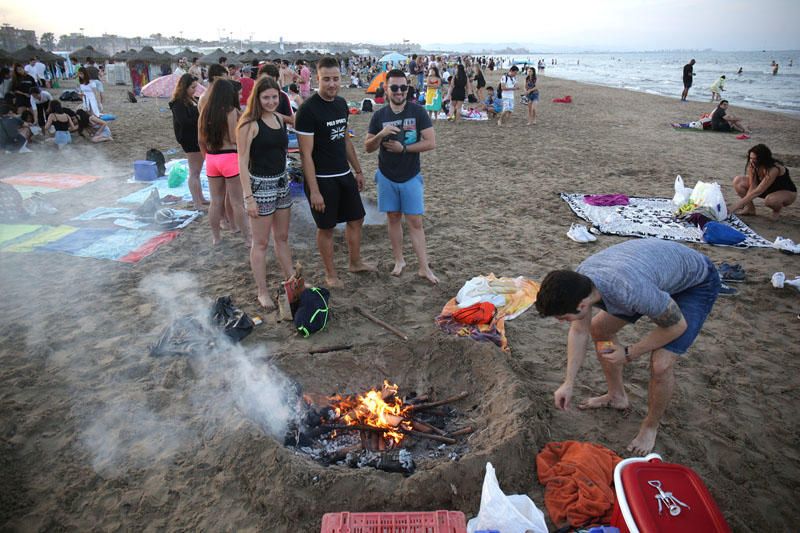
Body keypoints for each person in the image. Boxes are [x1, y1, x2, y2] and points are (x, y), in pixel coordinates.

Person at [535, 239, 721, 455]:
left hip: (695, 283)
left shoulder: (629, 291)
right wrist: (569, 382)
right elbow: (579, 331)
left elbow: (676, 327)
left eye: (563, 317)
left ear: (582, 305)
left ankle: (650, 426)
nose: (562, 321)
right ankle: (616, 396)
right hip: (652, 278)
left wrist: (629, 353)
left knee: (660, 364)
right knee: (600, 330)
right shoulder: (581, 282)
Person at [295, 56, 375, 288]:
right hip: (321, 179)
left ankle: (355, 262)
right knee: (326, 227)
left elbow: (345, 140)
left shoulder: (341, 104)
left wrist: (358, 170)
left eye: (336, 79)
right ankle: (331, 274)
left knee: (357, 218)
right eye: (326, 79)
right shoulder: (308, 110)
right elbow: (305, 155)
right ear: (317, 79)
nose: (332, 84)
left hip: (343, 174)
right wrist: (315, 191)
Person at [365, 69, 438, 284]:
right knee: (393, 218)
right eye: (394, 87)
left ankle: (424, 267)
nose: (399, 91)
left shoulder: (418, 112)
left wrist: (403, 148)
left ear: (408, 88)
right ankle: (399, 260)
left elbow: (430, 142)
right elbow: (368, 147)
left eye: (403, 87)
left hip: (410, 175)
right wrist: (381, 134)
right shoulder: (379, 116)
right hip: (386, 176)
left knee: (415, 221)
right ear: (386, 89)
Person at [237, 76, 295, 309]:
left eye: (274, 97)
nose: (270, 102)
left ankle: (292, 280)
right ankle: (262, 291)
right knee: (260, 243)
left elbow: (298, 120)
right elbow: (241, 162)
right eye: (266, 98)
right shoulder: (248, 125)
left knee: (282, 238)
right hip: (260, 187)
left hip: (282, 182)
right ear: (257, 99)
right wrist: (248, 197)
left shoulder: (280, 119)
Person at [198, 79, 249, 245]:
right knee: (237, 202)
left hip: (212, 158)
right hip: (229, 157)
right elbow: (234, 138)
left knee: (215, 201)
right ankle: (248, 239)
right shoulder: (231, 111)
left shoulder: (205, 111)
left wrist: (207, 157)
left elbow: (200, 140)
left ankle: (216, 238)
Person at [169, 74, 208, 210]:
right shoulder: (178, 102)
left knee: (197, 171)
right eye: (192, 87)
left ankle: (200, 198)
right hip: (189, 139)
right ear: (184, 87)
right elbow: (184, 122)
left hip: (196, 137)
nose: (194, 90)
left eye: (195, 87)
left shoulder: (191, 99)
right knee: (194, 172)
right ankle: (197, 202)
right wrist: (201, 118)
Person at [731, 144, 796, 220]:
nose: (752, 161)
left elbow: (758, 191)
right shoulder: (752, 165)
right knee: (738, 181)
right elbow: (753, 186)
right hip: (766, 190)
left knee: (770, 200)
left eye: (755, 159)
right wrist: (744, 203)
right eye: (750, 158)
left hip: (785, 192)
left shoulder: (774, 168)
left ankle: (776, 210)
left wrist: (735, 206)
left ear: (763, 158)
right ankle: (750, 209)